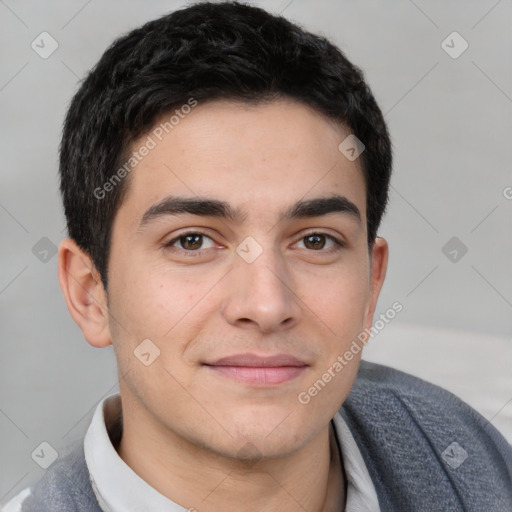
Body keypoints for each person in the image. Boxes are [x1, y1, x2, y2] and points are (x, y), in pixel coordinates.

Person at [5, 2, 511, 511]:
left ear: (371, 283)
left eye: (316, 241)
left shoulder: (473, 462)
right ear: (90, 294)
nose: (267, 305)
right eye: (192, 241)